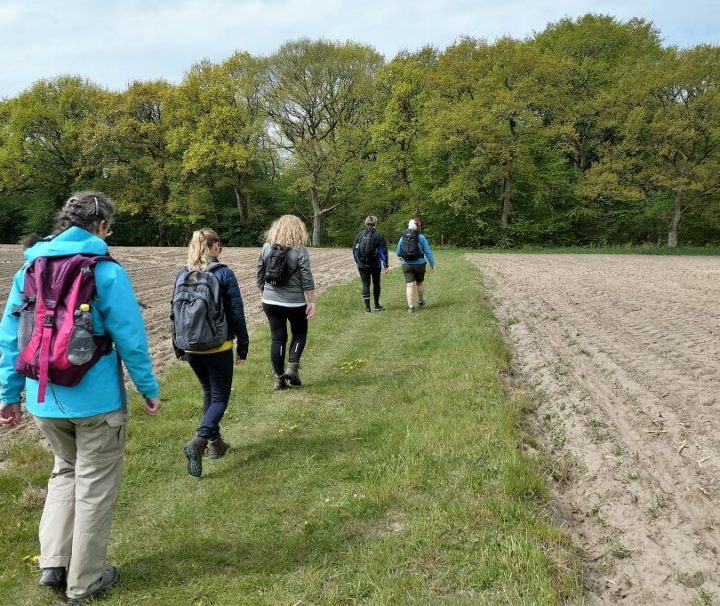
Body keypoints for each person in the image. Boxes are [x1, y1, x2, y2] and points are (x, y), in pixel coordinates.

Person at [0, 192, 161, 605]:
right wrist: (148, 388)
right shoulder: (105, 270)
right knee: (93, 486)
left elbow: (10, 339)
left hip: (43, 399)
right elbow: (131, 338)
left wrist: (9, 394)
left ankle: (53, 563)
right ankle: (84, 582)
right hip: (97, 402)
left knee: (64, 472)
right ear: (102, 226)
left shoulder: (30, 268)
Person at [173, 228, 249, 478]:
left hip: (191, 347)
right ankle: (199, 441)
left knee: (208, 392)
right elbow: (236, 312)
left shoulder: (182, 275)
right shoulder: (224, 273)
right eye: (220, 245)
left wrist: (178, 346)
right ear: (214, 247)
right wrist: (243, 344)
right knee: (219, 399)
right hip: (219, 345)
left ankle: (216, 445)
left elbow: (174, 313)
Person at [256, 215, 316, 390]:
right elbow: (307, 277)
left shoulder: (267, 247)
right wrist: (311, 300)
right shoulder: (300, 250)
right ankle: (292, 368)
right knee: (299, 333)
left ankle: (278, 379)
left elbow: (260, 273)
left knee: (278, 338)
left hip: (270, 300)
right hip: (295, 302)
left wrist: (265, 292)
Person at [396, 218, 436, 313]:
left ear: (408, 227)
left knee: (409, 285)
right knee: (420, 283)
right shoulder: (421, 237)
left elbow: (398, 252)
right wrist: (432, 264)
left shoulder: (403, 237)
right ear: (417, 227)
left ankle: (410, 307)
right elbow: (428, 252)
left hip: (406, 264)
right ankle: (420, 301)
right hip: (420, 264)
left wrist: (403, 257)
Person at [352, 215, 389, 313]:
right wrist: (386, 264)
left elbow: (354, 250)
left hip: (362, 265)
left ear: (366, 223)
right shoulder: (379, 235)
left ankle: (367, 308)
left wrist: (358, 261)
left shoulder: (360, 235)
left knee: (365, 284)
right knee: (376, 283)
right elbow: (383, 251)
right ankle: (377, 305)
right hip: (375, 264)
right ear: (375, 224)